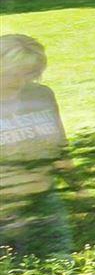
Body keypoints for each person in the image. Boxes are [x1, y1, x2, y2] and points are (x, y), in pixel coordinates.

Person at [0, 35, 72, 254]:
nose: (20, 81)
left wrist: (80, 190)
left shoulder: (41, 95)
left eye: (29, 74)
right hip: (4, 207)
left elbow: (60, 148)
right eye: (13, 73)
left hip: (45, 201)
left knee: (60, 271)